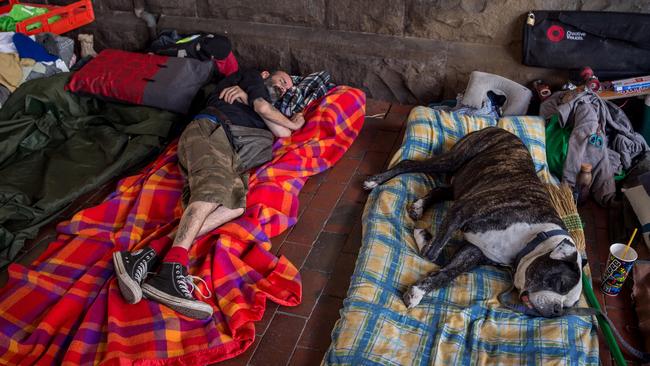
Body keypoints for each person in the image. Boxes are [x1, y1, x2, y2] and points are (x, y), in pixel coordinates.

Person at [112, 69, 306, 319]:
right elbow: (267, 111)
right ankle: (171, 270)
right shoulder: (251, 78)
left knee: (234, 206)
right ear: (266, 74)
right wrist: (295, 121)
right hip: (212, 131)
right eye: (282, 81)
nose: (284, 88)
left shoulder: (256, 100)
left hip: (231, 151)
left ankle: (147, 255)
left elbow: (281, 132)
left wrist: (258, 105)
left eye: (288, 90)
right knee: (214, 191)